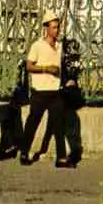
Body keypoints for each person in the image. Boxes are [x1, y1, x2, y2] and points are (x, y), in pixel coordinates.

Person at [18, 13, 74, 168]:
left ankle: (61, 158)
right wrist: (46, 69)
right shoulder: (37, 45)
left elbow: (63, 66)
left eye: (58, 27)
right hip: (40, 92)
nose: (57, 30)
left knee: (58, 125)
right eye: (54, 27)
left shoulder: (59, 46)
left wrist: (67, 79)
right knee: (32, 123)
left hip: (55, 91)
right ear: (46, 28)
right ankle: (24, 152)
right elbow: (29, 66)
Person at [35, 37, 83, 165]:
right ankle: (59, 155)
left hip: (62, 94)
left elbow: (72, 73)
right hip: (48, 91)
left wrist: (70, 80)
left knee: (60, 120)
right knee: (52, 120)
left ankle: (63, 155)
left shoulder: (67, 57)